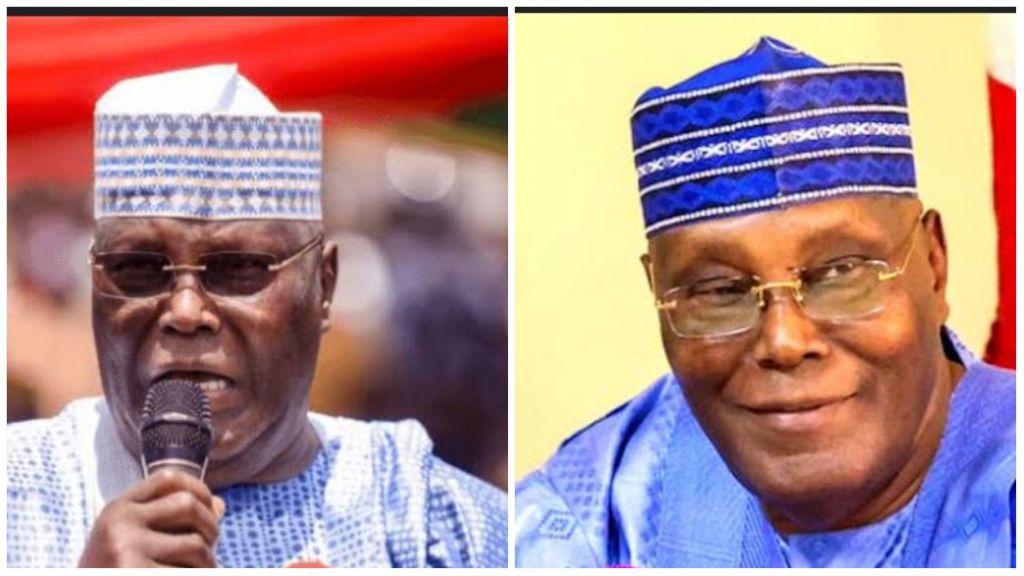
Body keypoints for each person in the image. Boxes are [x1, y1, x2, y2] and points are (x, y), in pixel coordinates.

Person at [516, 37, 1015, 568]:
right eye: (721, 290)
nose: (784, 340)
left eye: (841, 272)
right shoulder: (598, 512)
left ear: (934, 266)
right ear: (659, 293)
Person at [7, 64, 507, 568]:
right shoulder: (18, 493)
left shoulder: (429, 520)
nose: (185, 311)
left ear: (323, 288)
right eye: (137, 267)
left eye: (239, 268)